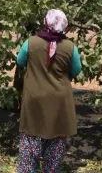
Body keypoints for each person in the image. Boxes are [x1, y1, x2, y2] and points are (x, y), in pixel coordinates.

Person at [15, 9, 82, 173]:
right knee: (56, 139)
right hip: (60, 100)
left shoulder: (31, 42)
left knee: (31, 138)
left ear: (45, 22)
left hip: (34, 97)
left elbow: (20, 61)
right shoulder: (70, 47)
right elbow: (76, 70)